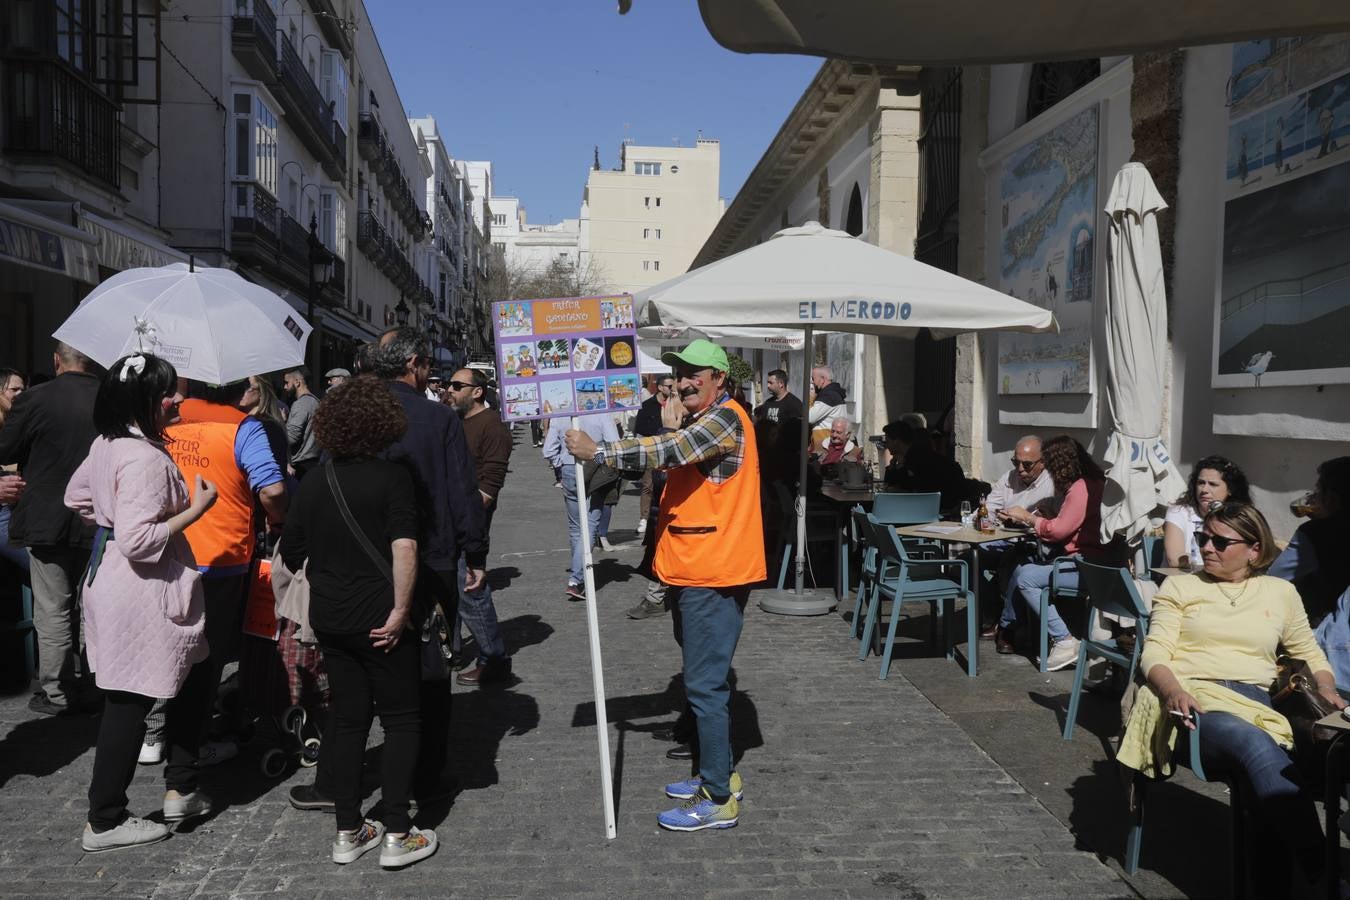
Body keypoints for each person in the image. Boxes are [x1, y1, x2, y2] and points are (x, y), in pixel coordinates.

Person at [565, 338, 765, 833]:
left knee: (704, 687)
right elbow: (678, 449)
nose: (685, 379)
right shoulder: (708, 418)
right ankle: (717, 776)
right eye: (681, 371)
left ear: (721, 378)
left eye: (698, 371)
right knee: (702, 683)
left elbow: (672, 449)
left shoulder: (726, 419)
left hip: (713, 572)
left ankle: (718, 796)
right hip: (696, 568)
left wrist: (602, 451)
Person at [1118, 503, 1343, 898]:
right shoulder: (1181, 587)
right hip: (1194, 699)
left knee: (1267, 775)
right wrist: (1172, 690)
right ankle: (1323, 871)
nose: (1207, 548)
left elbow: (1308, 652)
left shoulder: (1280, 591)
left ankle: (1276, 887)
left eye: (1221, 542)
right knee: (1257, 745)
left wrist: (1326, 689)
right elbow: (1155, 653)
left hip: (1256, 702)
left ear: (1254, 550)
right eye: (1203, 538)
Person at [64, 353, 219, 852]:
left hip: (112, 581)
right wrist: (195, 510)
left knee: (150, 689)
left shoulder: (109, 443)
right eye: (167, 393)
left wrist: (109, 519)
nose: (176, 399)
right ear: (144, 400)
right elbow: (138, 540)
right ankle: (107, 818)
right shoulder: (145, 458)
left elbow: (77, 497)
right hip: (138, 591)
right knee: (129, 702)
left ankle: (179, 785)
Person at [281, 376, 437, 869]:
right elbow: (405, 548)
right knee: (402, 718)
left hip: (332, 617)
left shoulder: (313, 483)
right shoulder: (394, 479)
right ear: (382, 425)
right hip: (380, 616)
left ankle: (348, 830)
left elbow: (292, 551)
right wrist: (399, 611)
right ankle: (396, 830)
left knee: (348, 720)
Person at [165, 378, 288, 763]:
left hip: (168, 548)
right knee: (207, 656)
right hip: (221, 555)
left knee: (167, 650)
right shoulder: (243, 427)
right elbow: (272, 490)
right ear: (239, 392)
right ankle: (192, 743)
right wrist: (278, 519)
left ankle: (157, 735)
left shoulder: (168, 417)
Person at [0, 342, 101, 716]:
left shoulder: (37, 398)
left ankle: (58, 691)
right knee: (92, 607)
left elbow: (5, 450)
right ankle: (96, 683)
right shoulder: (110, 399)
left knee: (53, 608)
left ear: (57, 361)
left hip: (47, 517)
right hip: (96, 516)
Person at [994, 435, 1116, 670]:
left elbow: (1059, 531)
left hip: (1087, 566)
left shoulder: (1081, 488)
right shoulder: (1091, 482)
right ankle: (1011, 628)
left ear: (1061, 465)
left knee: (1025, 577)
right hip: (1091, 561)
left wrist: (1027, 517)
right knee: (1021, 566)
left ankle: (1064, 640)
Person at [443, 367, 513, 686]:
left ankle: (493, 658)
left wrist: (462, 515)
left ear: (477, 391)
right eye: (448, 384)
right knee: (452, 589)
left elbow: (490, 484)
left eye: (457, 385)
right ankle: (453, 649)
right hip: (449, 519)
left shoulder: (492, 426)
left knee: (471, 590)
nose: (449, 389)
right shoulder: (456, 420)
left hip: (469, 523)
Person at [544, 412, 618, 599]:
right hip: (593, 468)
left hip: (569, 467)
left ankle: (579, 574)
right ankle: (576, 579)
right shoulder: (602, 412)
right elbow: (614, 444)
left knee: (577, 526)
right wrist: (600, 461)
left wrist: (559, 463)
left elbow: (549, 448)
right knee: (590, 525)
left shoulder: (561, 411)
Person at [1270, 456, 1350, 625]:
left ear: (1331, 498)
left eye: (1319, 492)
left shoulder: (1316, 533)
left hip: (1329, 633)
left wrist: (1320, 525)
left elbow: (1275, 579)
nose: (1315, 498)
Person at [1164, 455, 1251, 569]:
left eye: (1213, 484)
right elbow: (1175, 560)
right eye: (1201, 483)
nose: (1204, 490)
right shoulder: (1178, 513)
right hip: (1185, 580)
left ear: (1230, 489)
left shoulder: (1239, 516)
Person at [881, 418, 966, 511]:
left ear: (897, 441)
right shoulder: (910, 456)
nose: (886, 445)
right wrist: (892, 466)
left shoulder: (918, 458)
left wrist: (897, 470)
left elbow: (907, 487)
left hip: (939, 507)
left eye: (888, 441)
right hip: (933, 505)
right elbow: (891, 485)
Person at [0, 366, 29, 574]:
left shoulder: (17, 425)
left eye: (23, 390)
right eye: (14, 390)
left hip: (20, 512)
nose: (21, 394)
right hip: (3, 515)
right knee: (37, 568)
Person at [984, 435, 1056, 517]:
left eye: (1027, 464)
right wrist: (980, 517)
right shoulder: (1009, 478)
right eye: (1016, 462)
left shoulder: (1054, 484)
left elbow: (1059, 522)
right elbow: (989, 508)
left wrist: (1025, 521)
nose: (1020, 469)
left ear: (1043, 462)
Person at [282, 367, 320, 479]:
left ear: (297, 382)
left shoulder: (301, 404)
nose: (284, 387)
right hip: (312, 463)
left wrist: (279, 424)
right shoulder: (315, 401)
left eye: (286, 383)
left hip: (301, 468)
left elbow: (291, 438)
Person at [806, 365, 847, 445]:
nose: (812, 382)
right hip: (826, 442)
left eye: (813, 378)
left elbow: (809, 417)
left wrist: (810, 398)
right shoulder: (832, 393)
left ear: (822, 379)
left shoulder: (828, 396)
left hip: (825, 444)